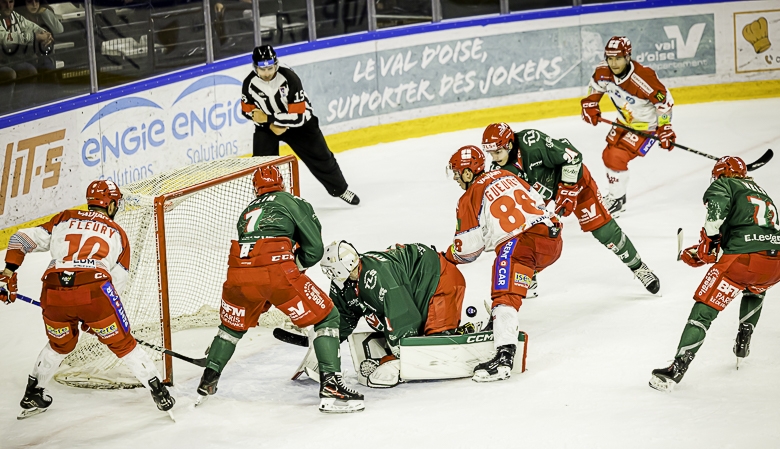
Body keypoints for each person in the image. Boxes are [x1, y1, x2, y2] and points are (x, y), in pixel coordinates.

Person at [0, 180, 175, 420]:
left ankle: (33, 393)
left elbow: (19, 240)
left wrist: (8, 273)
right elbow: (116, 286)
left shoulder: (64, 218)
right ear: (111, 204)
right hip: (95, 293)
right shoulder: (119, 233)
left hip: (53, 292)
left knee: (60, 345)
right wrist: (97, 318)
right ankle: (160, 393)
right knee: (123, 344)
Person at [195, 165, 364, 413]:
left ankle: (208, 379)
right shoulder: (292, 201)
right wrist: (292, 268)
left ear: (256, 189)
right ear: (282, 183)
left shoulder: (246, 212)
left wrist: (264, 292)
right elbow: (314, 249)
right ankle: (331, 388)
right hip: (275, 272)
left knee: (231, 328)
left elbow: (253, 255)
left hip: (237, 274)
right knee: (327, 316)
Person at [649, 157, 780, 392]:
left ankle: (676, 369)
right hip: (778, 264)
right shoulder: (763, 194)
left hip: (743, 260)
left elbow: (716, 217)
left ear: (722, 173)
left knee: (704, 310)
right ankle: (745, 336)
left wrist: (708, 241)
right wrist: (703, 251)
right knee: (755, 286)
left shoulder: (725, 184)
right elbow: (746, 235)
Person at [482, 122, 661, 296]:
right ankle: (530, 273)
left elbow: (572, 155)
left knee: (603, 230)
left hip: (577, 182)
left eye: (498, 152)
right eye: (491, 153)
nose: (495, 157)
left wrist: (568, 187)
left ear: (510, 144)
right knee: (527, 233)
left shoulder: (531, 141)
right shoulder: (499, 170)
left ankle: (639, 268)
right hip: (544, 194)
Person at [444, 145, 563, 382]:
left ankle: (503, 358)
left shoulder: (469, 196)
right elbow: (538, 202)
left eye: (458, 173)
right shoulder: (509, 175)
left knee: (504, 296)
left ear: (469, 173)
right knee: (514, 271)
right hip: (553, 239)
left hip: (521, 244)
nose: (457, 179)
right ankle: (502, 316)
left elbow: (469, 249)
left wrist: (447, 256)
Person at [319, 241, 468, 387]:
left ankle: (458, 332)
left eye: (330, 269)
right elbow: (343, 316)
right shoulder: (344, 282)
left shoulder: (378, 276)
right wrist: (325, 344)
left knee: (435, 344)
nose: (329, 274)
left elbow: (403, 316)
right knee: (418, 341)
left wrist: (397, 354)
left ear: (342, 267)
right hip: (419, 283)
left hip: (439, 277)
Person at [241, 45, 361, 205]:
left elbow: (298, 117)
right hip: (268, 126)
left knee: (321, 157)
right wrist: (269, 125)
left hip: (301, 125)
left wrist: (270, 119)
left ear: (275, 64)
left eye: (270, 68)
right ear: (255, 68)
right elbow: (247, 111)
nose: (267, 73)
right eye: (263, 70)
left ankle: (340, 190)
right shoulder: (249, 83)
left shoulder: (289, 78)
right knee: (262, 164)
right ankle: (267, 202)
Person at [580, 36, 676, 216]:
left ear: (628, 57)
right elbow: (596, 87)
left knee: (615, 157)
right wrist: (590, 104)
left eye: (618, 58)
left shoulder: (643, 78)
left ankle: (617, 200)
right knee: (608, 155)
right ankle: (617, 197)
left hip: (647, 127)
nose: (613, 63)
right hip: (623, 122)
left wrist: (665, 128)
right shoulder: (603, 71)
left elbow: (664, 103)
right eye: (610, 58)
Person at [1, 0, 53, 112]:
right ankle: (5, 111)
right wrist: (35, 37)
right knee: (9, 74)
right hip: (2, 63)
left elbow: (31, 26)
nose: (8, 6)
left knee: (29, 70)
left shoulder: (14, 15)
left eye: (10, 2)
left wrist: (45, 33)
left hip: (10, 60)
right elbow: (6, 38)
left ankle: (21, 108)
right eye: (4, 2)